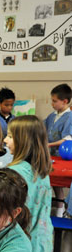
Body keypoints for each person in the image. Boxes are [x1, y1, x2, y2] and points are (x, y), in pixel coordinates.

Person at [4, 115, 57, 252]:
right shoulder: (42, 170)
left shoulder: (14, 173)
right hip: (42, 240)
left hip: (23, 245)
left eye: (9, 136)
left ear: (23, 140)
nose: (5, 140)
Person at [44, 83, 72, 217]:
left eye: (55, 101)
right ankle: (55, 208)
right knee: (53, 183)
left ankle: (60, 211)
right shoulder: (52, 116)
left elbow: (67, 139)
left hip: (62, 158)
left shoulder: (69, 117)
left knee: (60, 185)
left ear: (65, 101)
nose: (52, 103)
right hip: (51, 157)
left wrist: (48, 145)